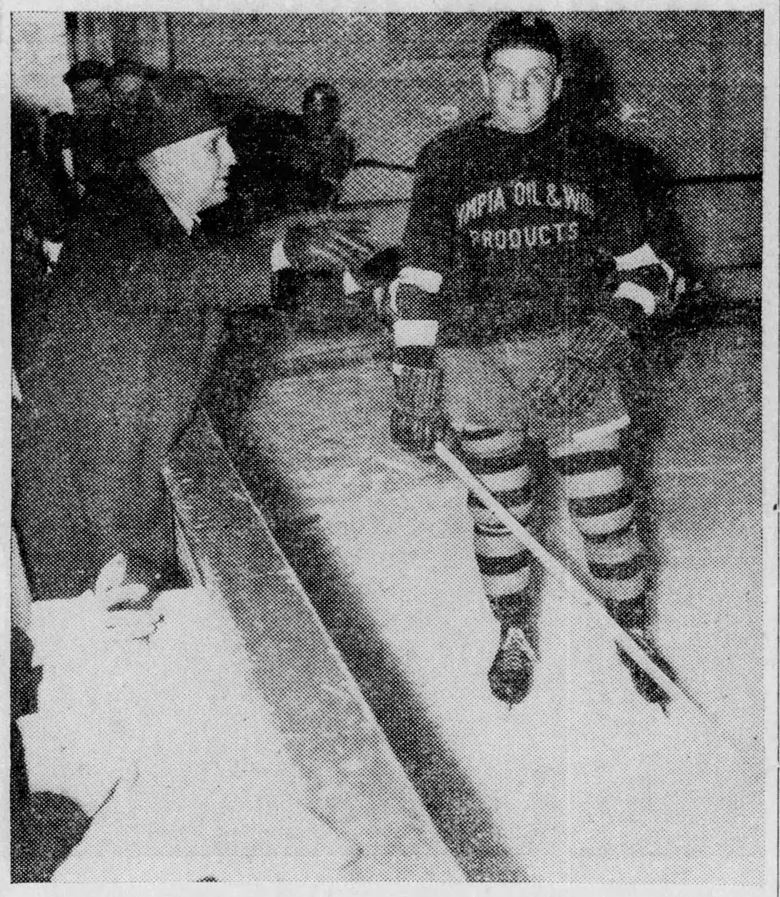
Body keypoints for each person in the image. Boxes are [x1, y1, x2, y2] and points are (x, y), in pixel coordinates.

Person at [387, 15, 685, 707]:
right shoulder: (449, 156)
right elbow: (420, 279)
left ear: (560, 82)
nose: (520, 92)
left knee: (604, 507)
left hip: (573, 353)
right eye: (505, 76)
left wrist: (608, 331)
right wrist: (412, 374)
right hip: (477, 360)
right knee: (500, 511)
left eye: (537, 76)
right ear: (482, 78)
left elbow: (648, 270)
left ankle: (633, 631)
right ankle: (513, 631)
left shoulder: (598, 155)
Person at [13, 70, 385, 602]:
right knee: (121, 635)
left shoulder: (160, 214)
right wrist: (282, 255)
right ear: (166, 159)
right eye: (214, 146)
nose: (231, 159)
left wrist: (306, 257)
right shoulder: (119, 220)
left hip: (129, 448)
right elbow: (170, 274)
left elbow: (197, 282)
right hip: (87, 478)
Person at [45, 60, 114, 214]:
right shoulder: (65, 130)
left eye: (98, 93)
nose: (92, 102)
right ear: (74, 100)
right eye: (82, 96)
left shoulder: (124, 129)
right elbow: (58, 181)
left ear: (110, 94)